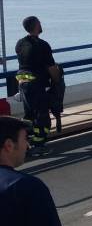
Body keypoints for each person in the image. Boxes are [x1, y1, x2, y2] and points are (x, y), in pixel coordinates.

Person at [14, 17, 60, 156]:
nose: (41, 25)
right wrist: (57, 81)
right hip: (36, 83)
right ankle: (39, 145)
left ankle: (25, 143)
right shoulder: (42, 45)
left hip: (22, 82)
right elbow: (52, 68)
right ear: (35, 26)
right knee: (42, 116)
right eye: (39, 23)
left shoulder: (20, 43)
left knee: (29, 114)